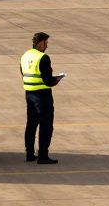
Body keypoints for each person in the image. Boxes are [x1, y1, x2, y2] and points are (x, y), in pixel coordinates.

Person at [21, 31, 64, 164]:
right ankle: (43, 155)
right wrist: (57, 79)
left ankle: (29, 153)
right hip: (42, 95)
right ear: (40, 43)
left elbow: (23, 72)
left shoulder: (25, 55)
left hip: (29, 93)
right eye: (46, 43)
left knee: (31, 124)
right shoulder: (43, 58)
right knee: (46, 125)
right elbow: (47, 81)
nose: (47, 46)